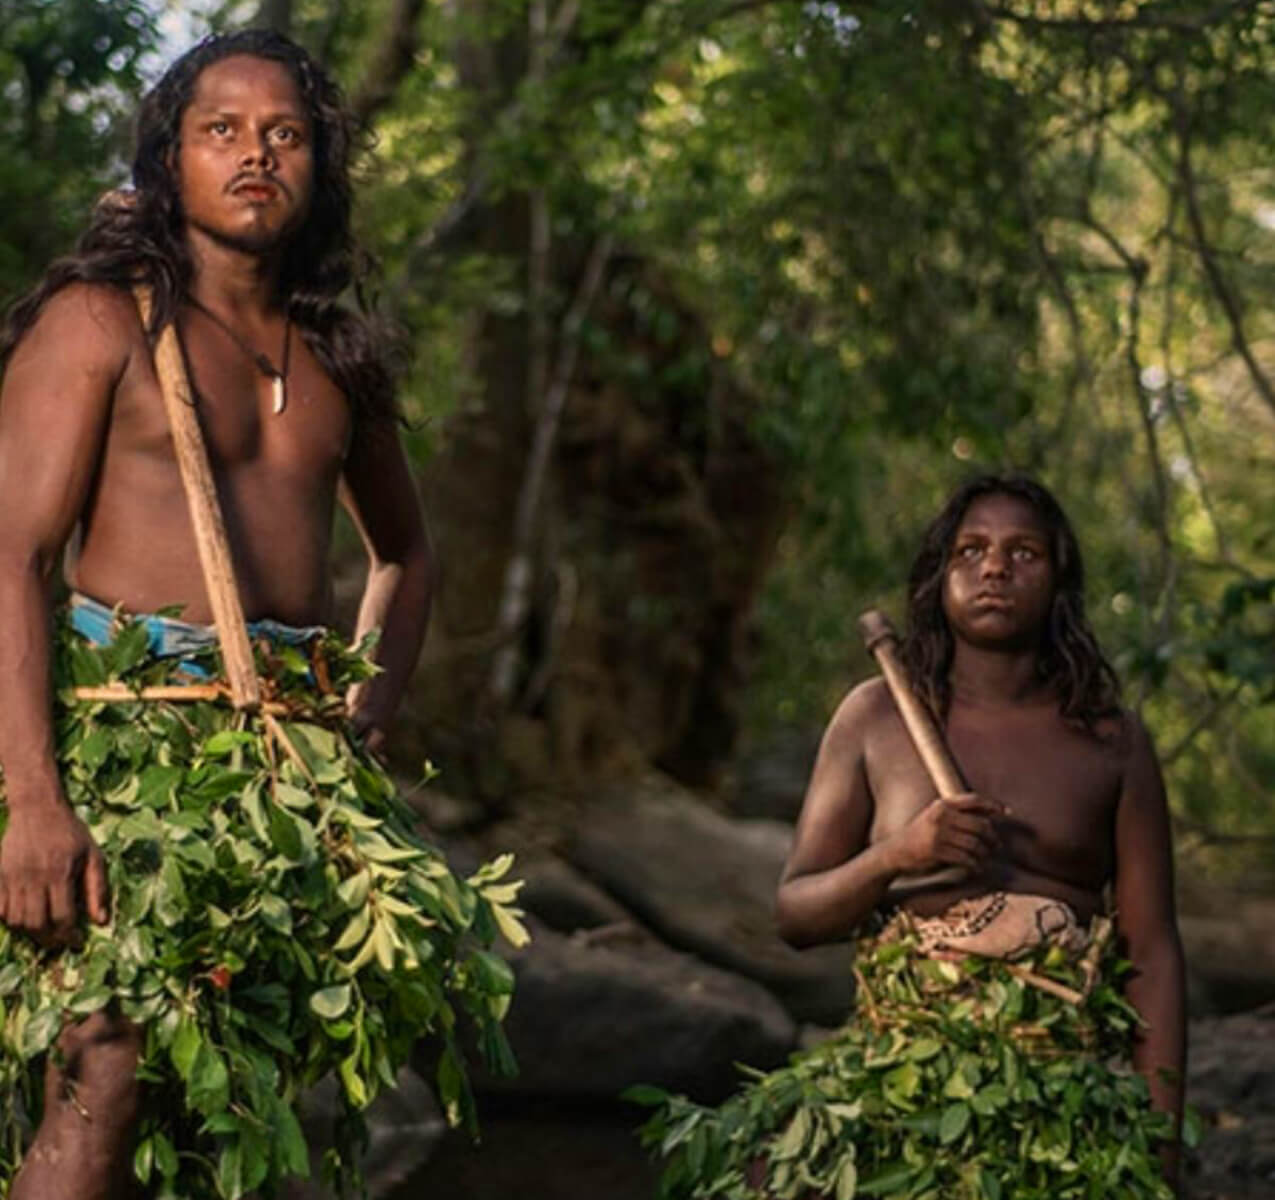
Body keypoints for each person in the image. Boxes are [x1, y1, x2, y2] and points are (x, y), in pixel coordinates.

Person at [0, 29, 516, 1200]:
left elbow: (406, 555)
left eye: (284, 134)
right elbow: (13, 557)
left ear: (318, 166)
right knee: (104, 1066)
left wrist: (367, 711)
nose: (254, 156)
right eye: (219, 131)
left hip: (281, 773)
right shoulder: (100, 324)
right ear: (167, 160)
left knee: (226, 1090)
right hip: (127, 748)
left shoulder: (336, 355)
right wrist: (34, 798)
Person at [638, 474, 1186, 1198]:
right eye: (971, 550)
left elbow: (1149, 950)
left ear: (1058, 580)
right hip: (891, 1082)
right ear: (939, 577)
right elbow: (794, 915)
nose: (994, 567)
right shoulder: (875, 718)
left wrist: (1161, 1147)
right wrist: (900, 855)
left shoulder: (1110, 740)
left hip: (1060, 1093)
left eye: (1023, 552)